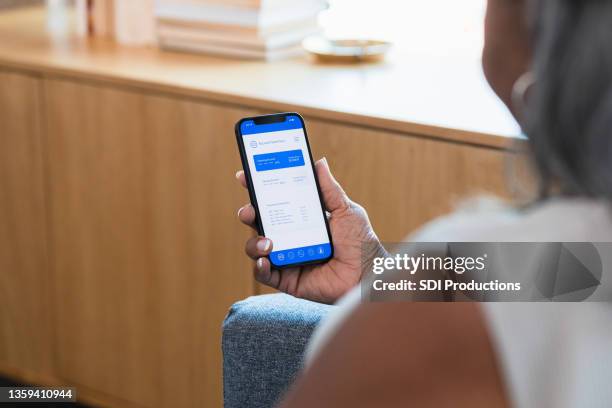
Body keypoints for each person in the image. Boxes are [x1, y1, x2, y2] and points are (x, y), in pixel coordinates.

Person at [234, 0, 612, 406]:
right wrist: (375, 277)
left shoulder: (449, 280)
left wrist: (403, 292)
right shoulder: (573, 256)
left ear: (539, 23)